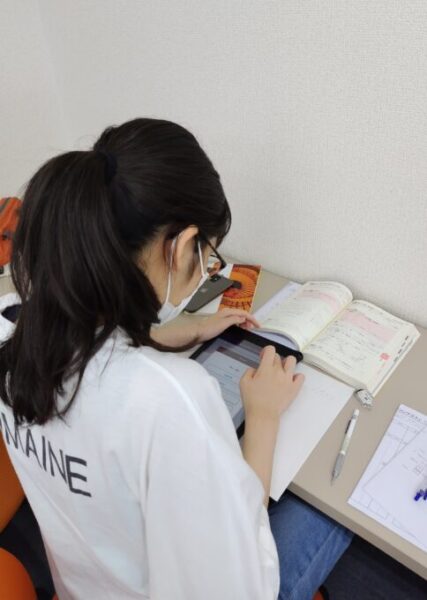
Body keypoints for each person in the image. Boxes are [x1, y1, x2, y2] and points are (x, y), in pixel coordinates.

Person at [0, 118, 352, 599]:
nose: (206, 270)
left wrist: (164, 334)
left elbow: (91, 355)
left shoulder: (14, 331)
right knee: (332, 509)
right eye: (208, 258)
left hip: (83, 587)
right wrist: (263, 417)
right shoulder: (170, 397)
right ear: (183, 245)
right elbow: (242, 589)